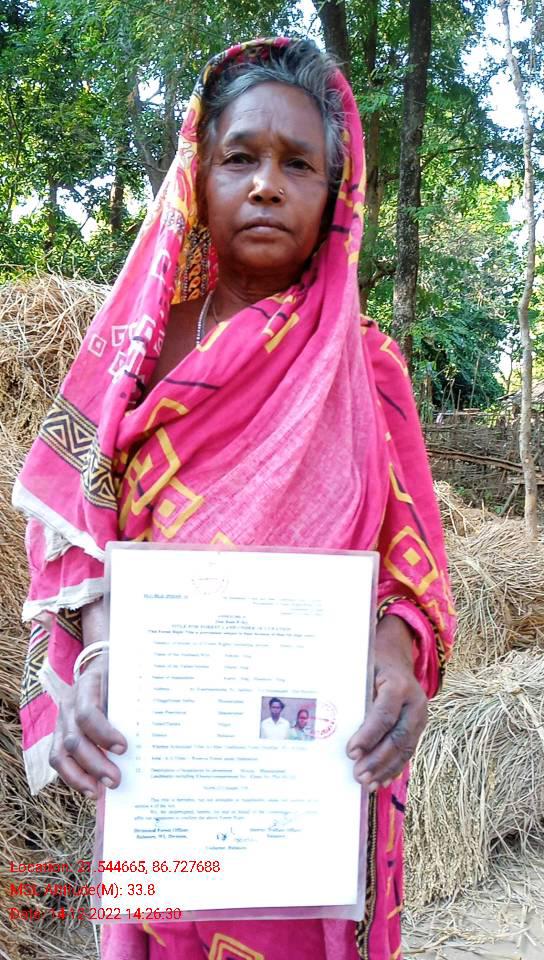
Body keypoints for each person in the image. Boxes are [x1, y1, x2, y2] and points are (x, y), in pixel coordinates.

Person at [14, 37, 455, 960]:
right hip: (164, 757)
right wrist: (98, 663)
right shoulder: (135, 359)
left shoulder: (366, 367)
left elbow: (410, 560)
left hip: (313, 774)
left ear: (336, 194)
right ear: (197, 179)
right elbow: (76, 531)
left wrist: (394, 659)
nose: (266, 185)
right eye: (240, 157)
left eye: (299, 165)